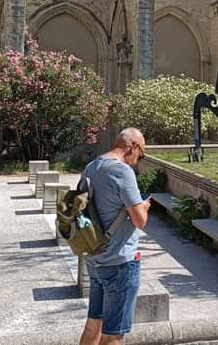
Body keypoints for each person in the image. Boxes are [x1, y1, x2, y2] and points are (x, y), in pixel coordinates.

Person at [78, 128, 151, 345]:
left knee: (93, 324)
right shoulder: (123, 172)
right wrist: (144, 206)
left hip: (95, 258)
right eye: (142, 154)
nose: (139, 160)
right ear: (134, 147)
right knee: (114, 334)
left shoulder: (92, 166)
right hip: (119, 262)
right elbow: (140, 221)